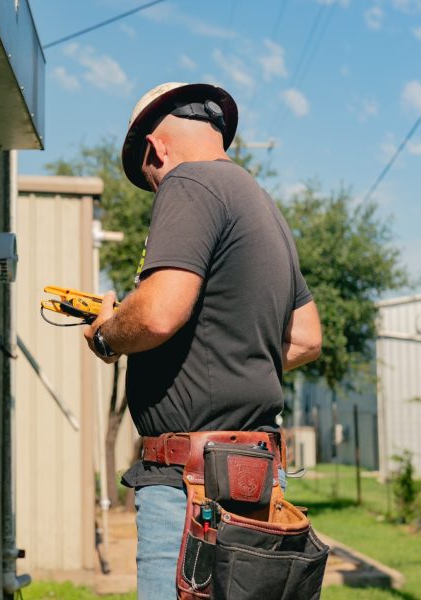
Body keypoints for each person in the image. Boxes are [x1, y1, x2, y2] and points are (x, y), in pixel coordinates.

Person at [83, 82, 322, 599]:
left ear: (156, 148)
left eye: (151, 177)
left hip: (194, 489)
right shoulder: (263, 206)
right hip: (258, 482)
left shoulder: (187, 182)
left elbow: (159, 314)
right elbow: (305, 337)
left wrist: (106, 334)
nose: (157, 187)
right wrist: (230, 358)